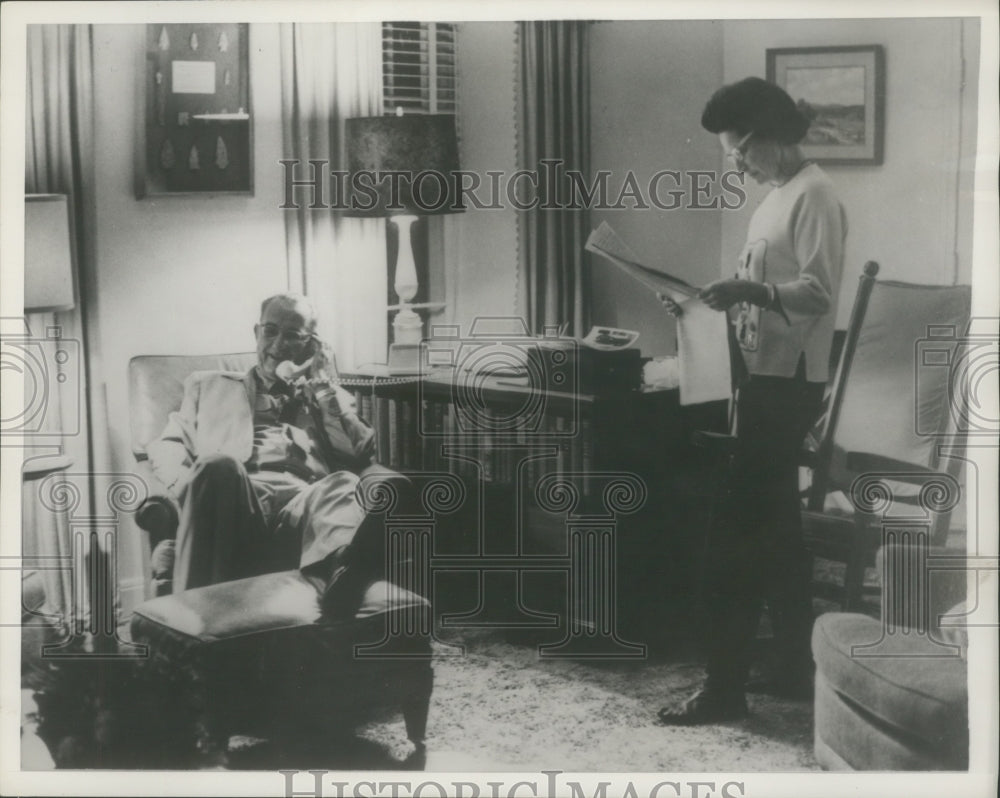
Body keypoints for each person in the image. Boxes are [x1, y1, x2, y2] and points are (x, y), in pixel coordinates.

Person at [657, 77, 847, 724]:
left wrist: (749, 293)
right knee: (778, 530)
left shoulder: (815, 194)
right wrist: (701, 301)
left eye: (740, 150)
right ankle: (795, 667)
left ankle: (724, 688)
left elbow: (818, 293)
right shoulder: (775, 198)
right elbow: (757, 291)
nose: (736, 163)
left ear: (771, 136)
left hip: (787, 384)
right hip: (760, 376)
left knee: (736, 533)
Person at [147, 293, 378, 595]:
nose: (278, 344)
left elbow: (359, 452)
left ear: (310, 345)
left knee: (343, 483)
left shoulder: (325, 396)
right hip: (238, 505)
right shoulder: (209, 385)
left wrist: (322, 386)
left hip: (301, 514)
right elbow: (168, 446)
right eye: (270, 331)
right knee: (218, 464)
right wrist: (190, 490)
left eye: (293, 336)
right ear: (256, 333)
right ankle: (191, 616)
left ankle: (339, 582)